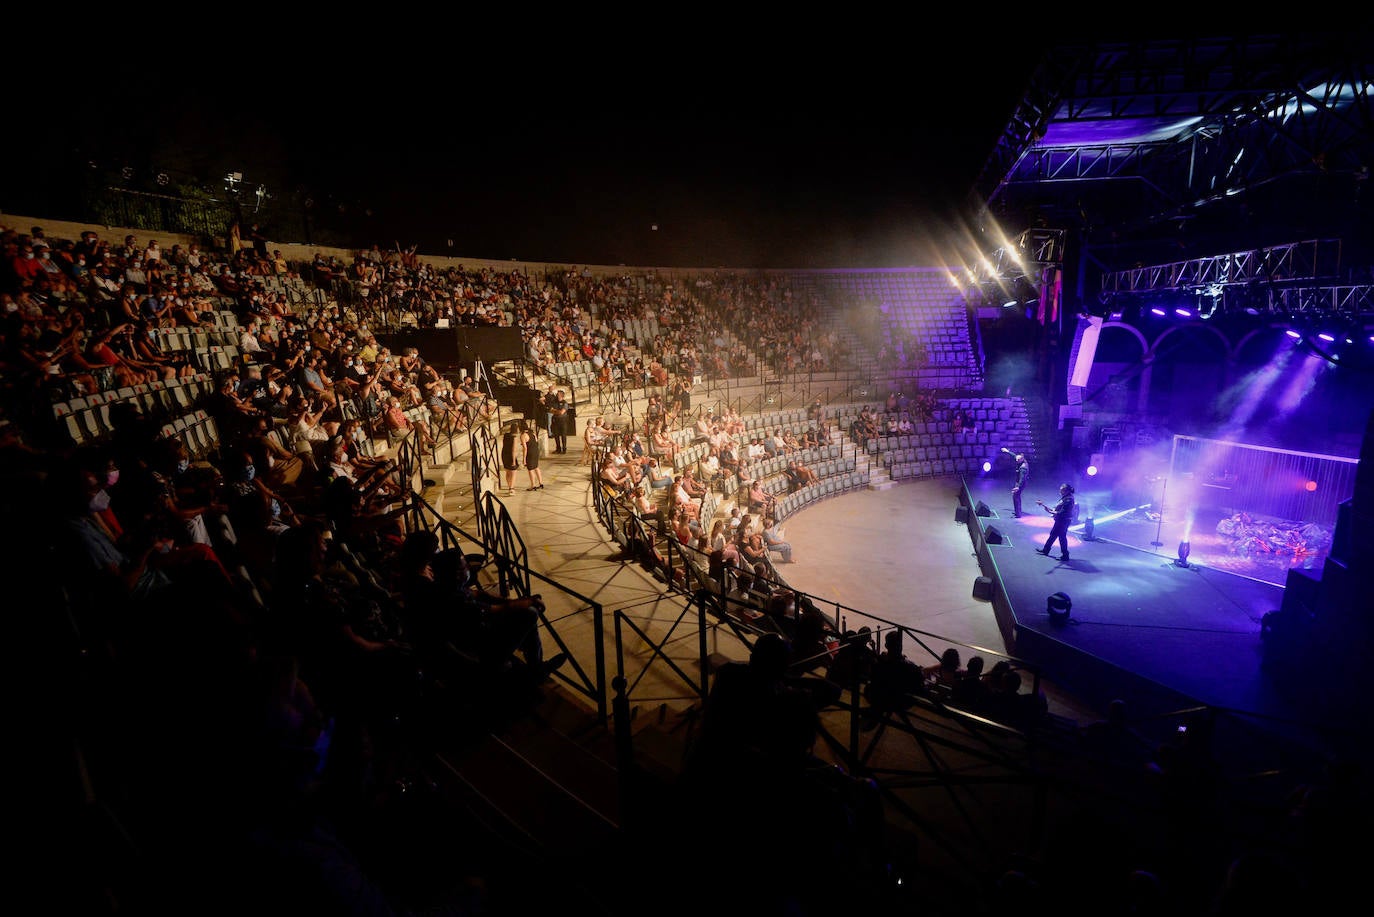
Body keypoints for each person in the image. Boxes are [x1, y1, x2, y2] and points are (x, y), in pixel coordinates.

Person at [1036, 483, 1076, 561]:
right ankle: (1046, 550)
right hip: (1060, 520)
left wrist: (1050, 512)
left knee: (1062, 537)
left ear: (1066, 491)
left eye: (1062, 490)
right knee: (1053, 535)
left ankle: (1065, 555)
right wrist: (1047, 508)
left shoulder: (1069, 499)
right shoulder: (1065, 497)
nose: (1060, 491)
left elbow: (1062, 512)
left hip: (1064, 521)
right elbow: (1057, 510)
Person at [1003, 448, 1029, 517]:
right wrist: (1007, 451)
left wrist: (1018, 487)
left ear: (1021, 459)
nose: (1016, 460)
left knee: (1016, 497)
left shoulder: (1023, 468)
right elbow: (1014, 455)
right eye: (1016, 459)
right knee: (1017, 496)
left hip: (1021, 483)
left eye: (1018, 460)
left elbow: (1022, 478)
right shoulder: (1021, 460)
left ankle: (1018, 514)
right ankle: (1018, 511)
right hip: (1019, 482)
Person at [521, 420, 544, 491]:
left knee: (530, 469)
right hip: (536, 451)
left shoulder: (523, 435)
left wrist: (524, 459)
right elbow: (536, 441)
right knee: (536, 467)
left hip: (530, 452)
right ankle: (541, 483)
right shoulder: (533, 433)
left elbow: (525, 448)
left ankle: (533, 485)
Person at [500, 420, 520, 495]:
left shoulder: (506, 435)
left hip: (504, 454)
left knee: (508, 471)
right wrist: (514, 461)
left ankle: (509, 487)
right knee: (513, 472)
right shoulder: (514, 438)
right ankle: (511, 488)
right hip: (511, 456)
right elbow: (513, 450)